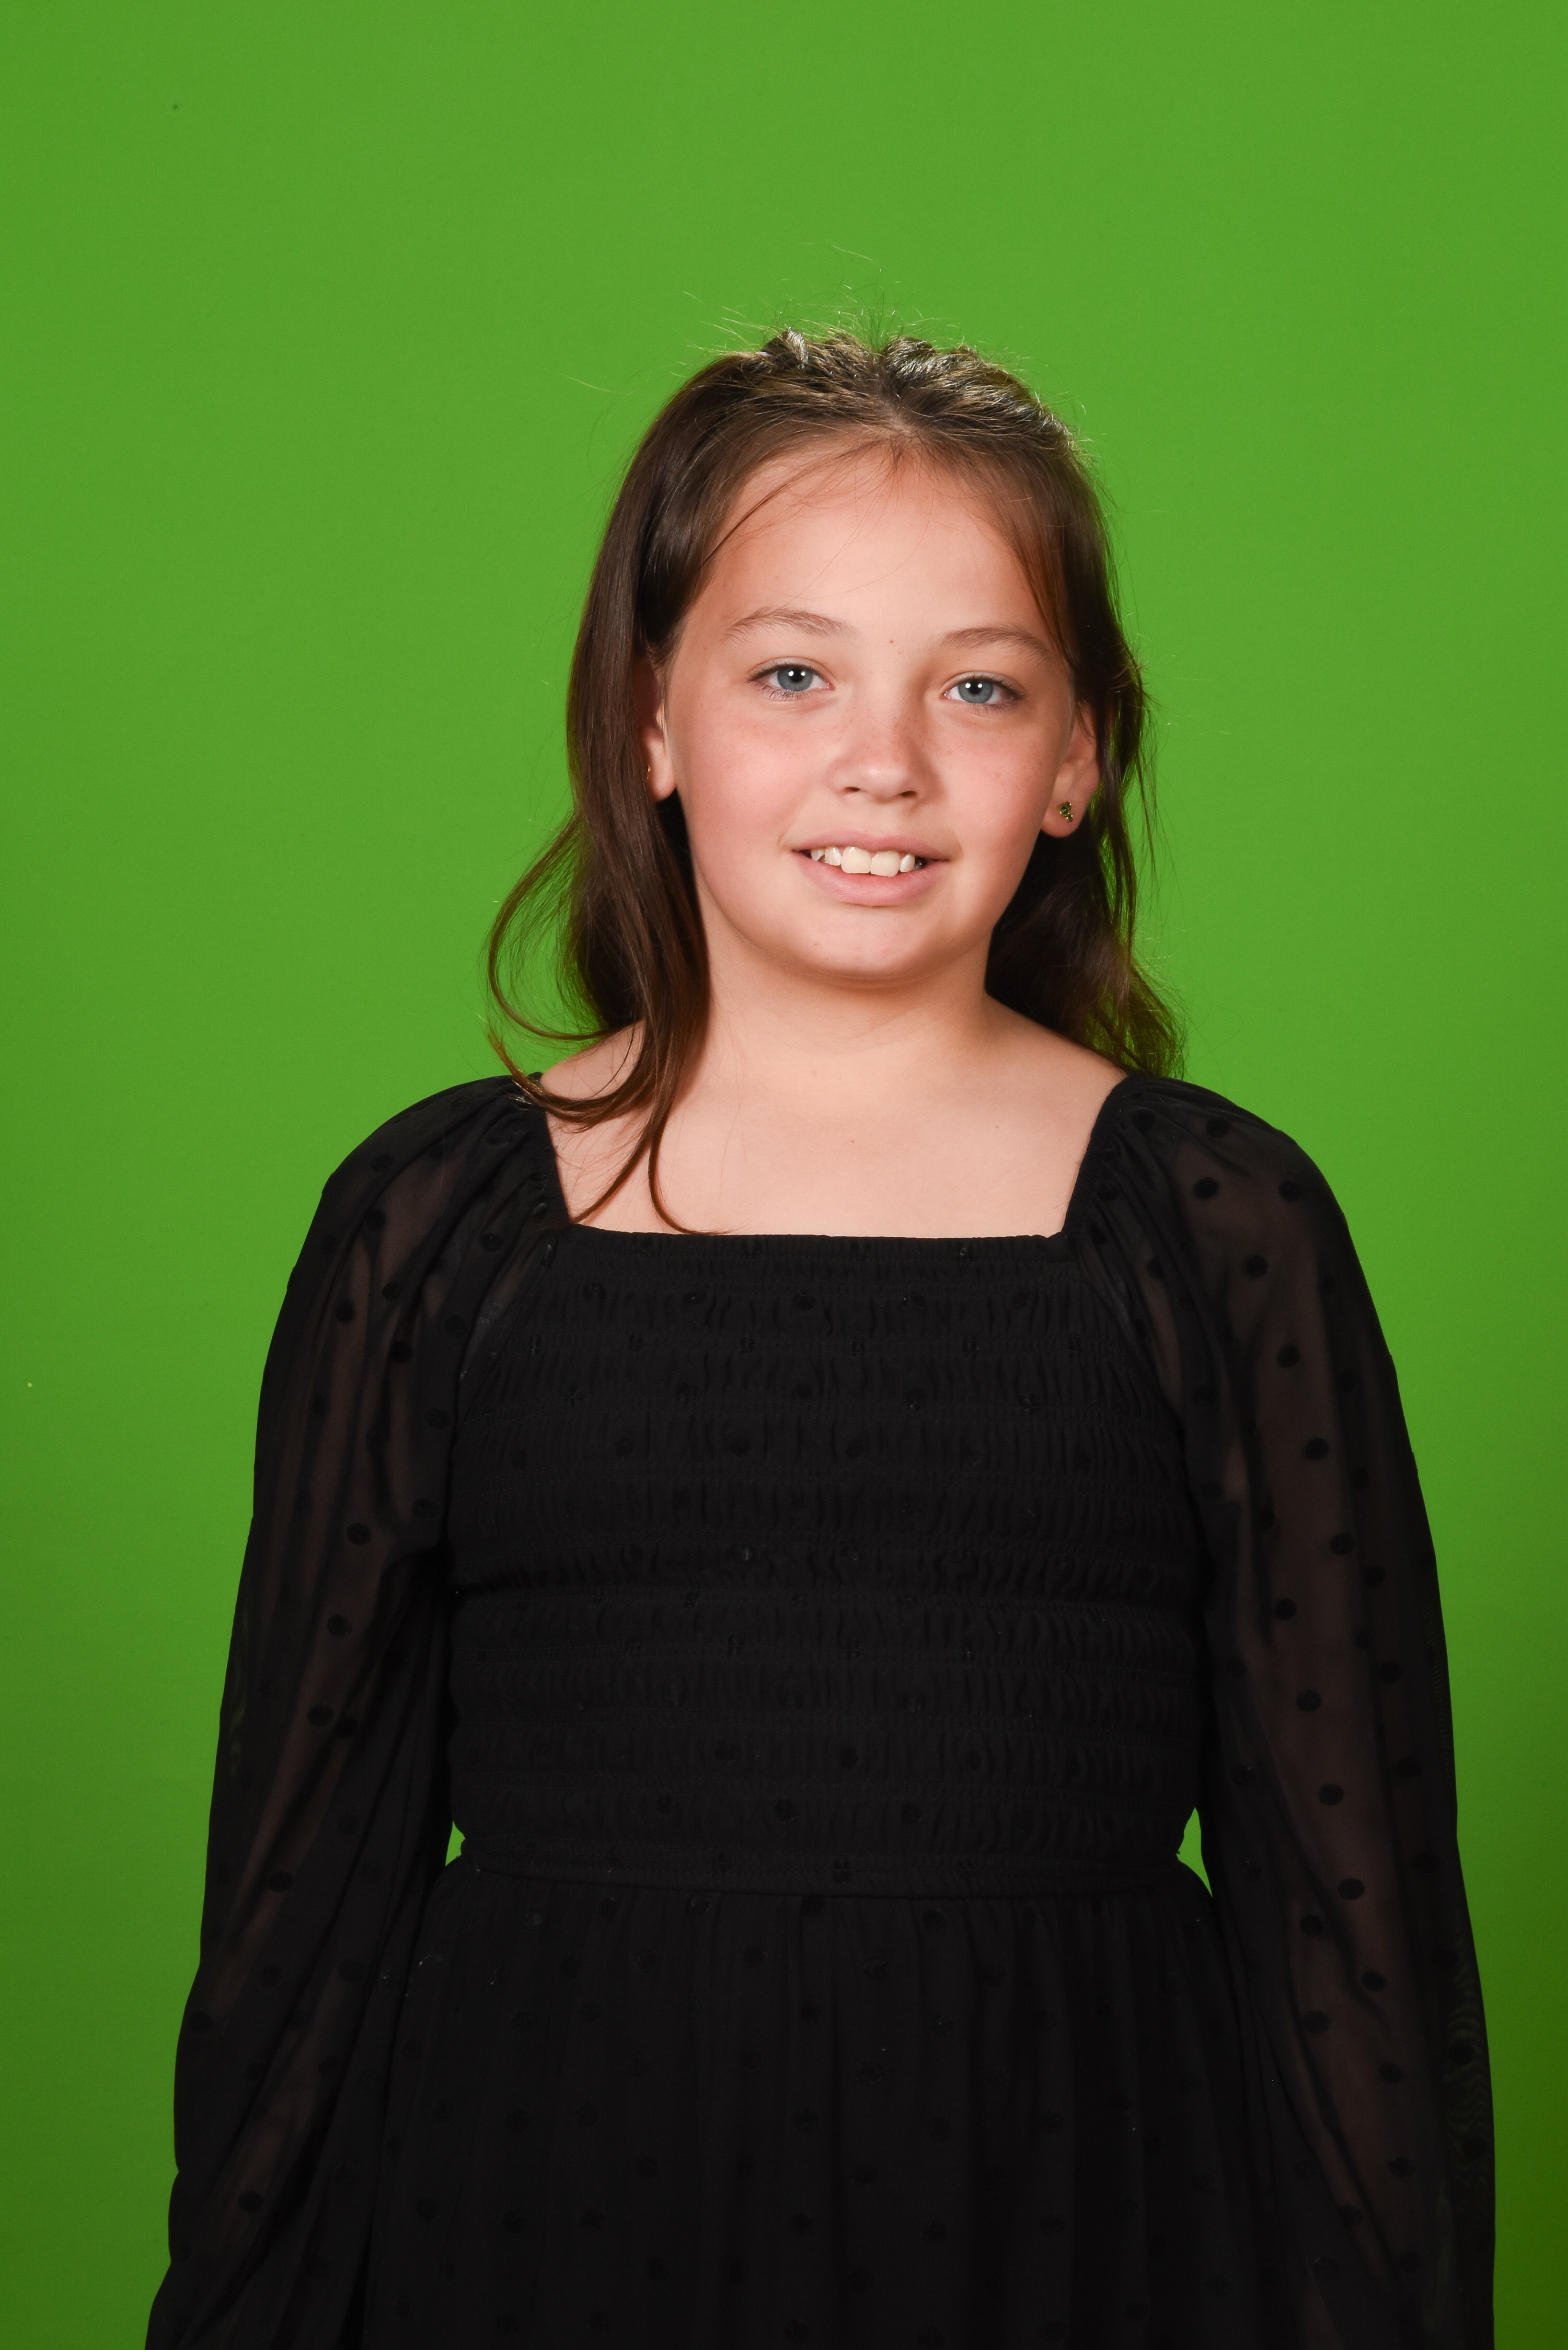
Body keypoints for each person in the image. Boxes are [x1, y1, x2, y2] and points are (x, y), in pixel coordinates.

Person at [147, 331, 1492, 2350]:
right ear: (652, 719)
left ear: (1080, 756)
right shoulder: (436, 1227)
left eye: (979, 687)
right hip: (532, 2214)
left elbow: (1357, 1916)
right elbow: (295, 1901)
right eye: (794, 675)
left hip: (1089, 2218)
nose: (887, 761)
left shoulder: (1219, 1227)